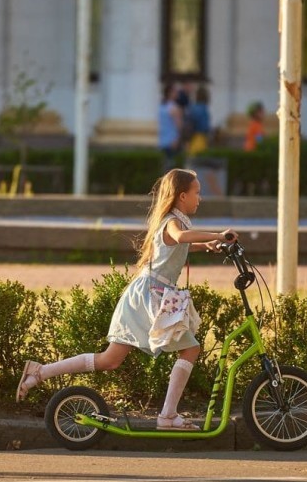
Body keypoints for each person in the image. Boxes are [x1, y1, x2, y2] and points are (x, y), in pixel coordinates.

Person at [15, 169, 238, 430]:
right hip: (148, 298)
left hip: (146, 296)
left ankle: (39, 372)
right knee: (190, 349)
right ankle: (167, 416)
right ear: (182, 196)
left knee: (111, 359)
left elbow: (181, 244)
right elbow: (179, 238)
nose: (200, 198)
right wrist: (217, 235)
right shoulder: (172, 222)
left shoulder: (176, 220)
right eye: (197, 193)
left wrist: (207, 246)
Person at [158, 83, 184, 173]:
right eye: (175, 92)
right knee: (172, 169)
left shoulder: (162, 106)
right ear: (170, 93)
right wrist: (177, 139)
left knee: (165, 167)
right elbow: (179, 126)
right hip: (172, 141)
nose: (177, 94)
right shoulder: (174, 108)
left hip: (162, 141)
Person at [186, 85, 211, 156]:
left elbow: (189, 124)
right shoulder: (203, 109)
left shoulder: (193, 108)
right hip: (200, 137)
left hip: (194, 137)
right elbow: (205, 126)